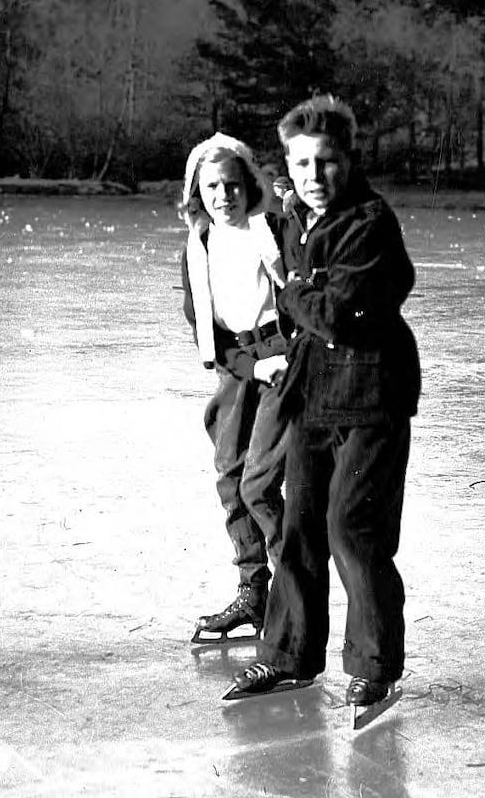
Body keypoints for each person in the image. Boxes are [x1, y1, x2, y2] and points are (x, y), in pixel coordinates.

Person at [227, 95, 421, 710]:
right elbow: (320, 297)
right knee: (301, 527)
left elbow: (337, 313)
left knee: (352, 529)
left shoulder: (368, 220)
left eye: (327, 163)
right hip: (315, 392)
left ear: (349, 159)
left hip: (372, 395)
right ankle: (288, 654)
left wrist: (291, 290)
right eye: (302, 164)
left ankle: (376, 665)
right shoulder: (299, 217)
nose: (315, 177)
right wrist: (307, 287)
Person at [179, 133, 290, 643]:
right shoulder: (199, 245)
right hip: (238, 368)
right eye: (210, 187)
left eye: (231, 184)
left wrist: (279, 360)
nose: (223, 196)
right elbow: (205, 330)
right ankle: (254, 594)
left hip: (281, 362)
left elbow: (303, 292)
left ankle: (293, 594)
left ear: (248, 184)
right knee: (230, 477)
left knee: (258, 484)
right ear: (196, 193)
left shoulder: (269, 229)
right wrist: (247, 367)